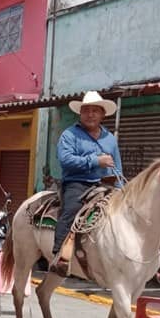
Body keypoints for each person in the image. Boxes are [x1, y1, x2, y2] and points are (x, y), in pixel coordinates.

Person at [48, 91, 123, 277]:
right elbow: (65, 160)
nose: (91, 114)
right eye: (86, 110)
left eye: (95, 111)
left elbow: (117, 166)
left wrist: (121, 188)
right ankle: (59, 256)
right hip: (77, 184)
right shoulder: (70, 135)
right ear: (80, 113)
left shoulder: (110, 139)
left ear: (102, 114)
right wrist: (95, 161)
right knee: (71, 211)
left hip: (106, 185)